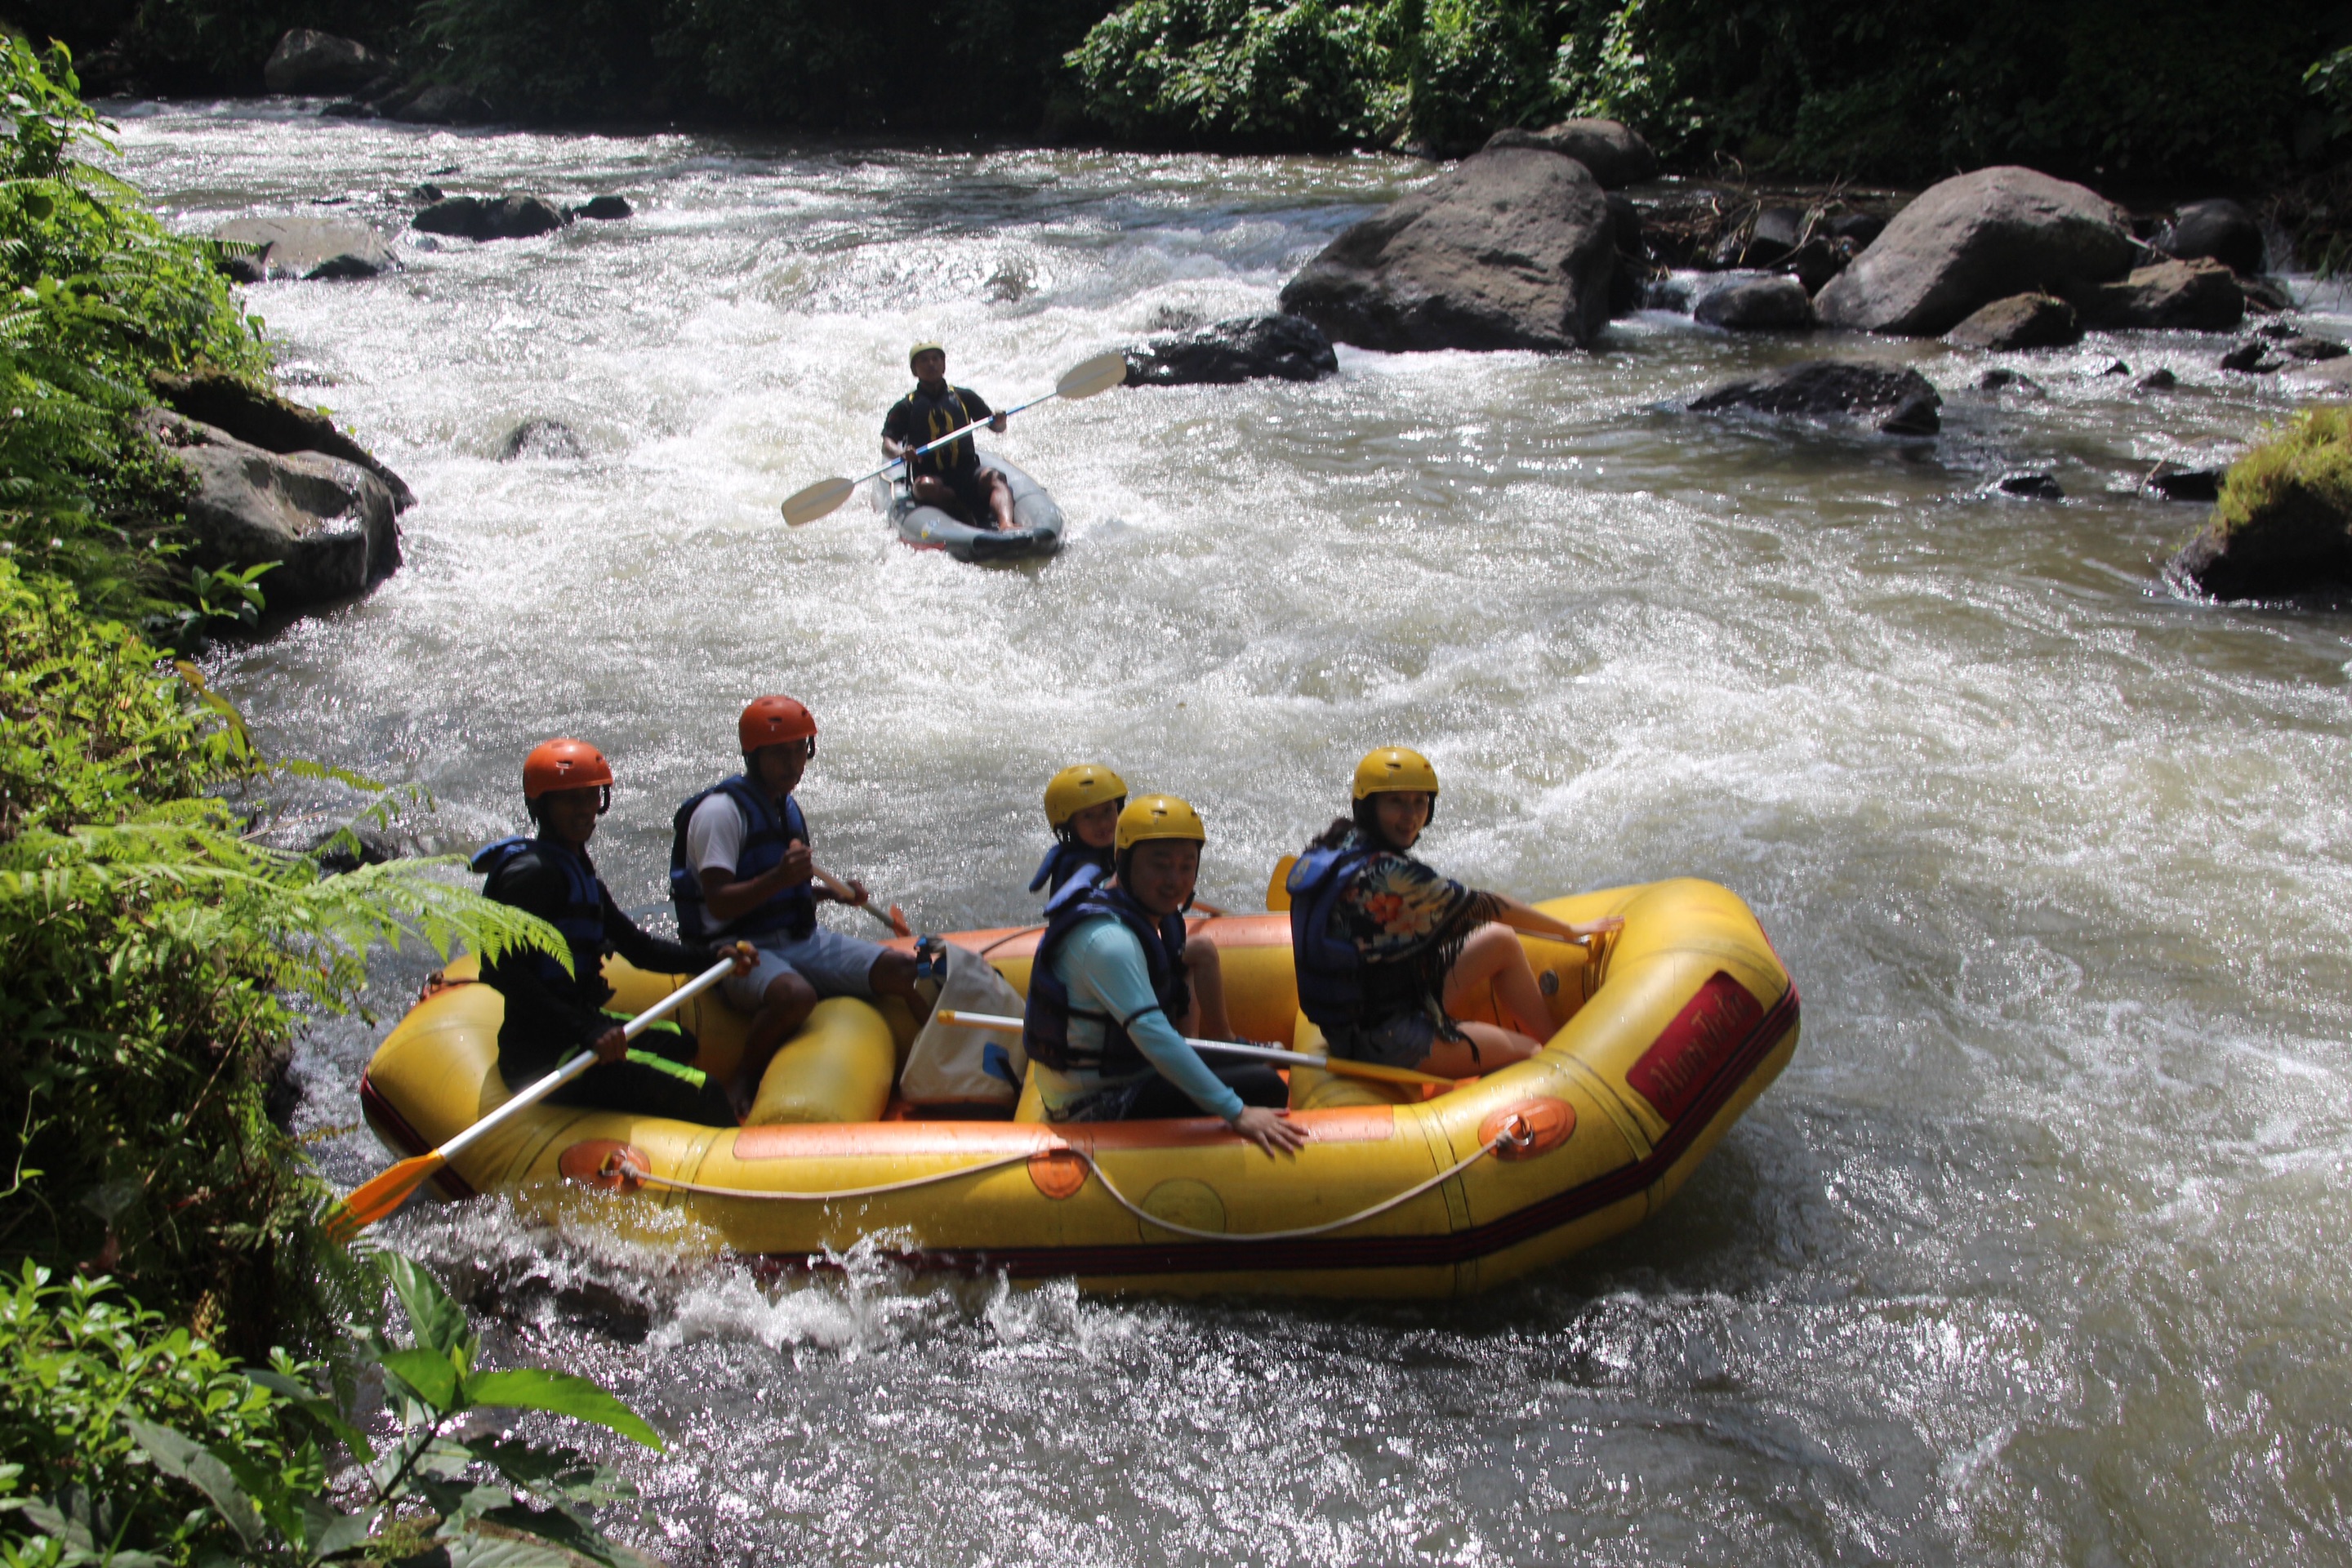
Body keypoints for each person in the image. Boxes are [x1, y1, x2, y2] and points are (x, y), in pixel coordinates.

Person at [1286, 746, 1624, 1079]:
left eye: (1420, 803)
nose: (1411, 816)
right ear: (1369, 806)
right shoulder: (1391, 876)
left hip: (1355, 1019)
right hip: (1385, 1038)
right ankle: (1556, 1066)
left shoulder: (1335, 844)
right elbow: (1488, 906)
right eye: (1396, 802)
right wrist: (1567, 929)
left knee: (1500, 942)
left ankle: (1558, 1043)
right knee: (1530, 1054)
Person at [474, 737, 754, 1128]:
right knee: (704, 1092)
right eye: (571, 800)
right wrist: (586, 1031)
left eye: (592, 798)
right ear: (542, 806)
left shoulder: (575, 870)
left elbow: (639, 949)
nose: (586, 810)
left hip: (577, 1026)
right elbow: (502, 972)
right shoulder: (530, 877)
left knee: (678, 1041)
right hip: (544, 1055)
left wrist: (713, 957)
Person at [670, 695, 930, 1111]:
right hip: (735, 951)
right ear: (753, 755)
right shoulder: (719, 814)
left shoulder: (785, 807)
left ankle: (937, 1059)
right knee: (795, 996)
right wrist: (780, 877)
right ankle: (743, 1077)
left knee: (907, 969)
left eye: (800, 752)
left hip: (797, 938)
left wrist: (831, 894)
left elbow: (784, 895)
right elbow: (719, 904)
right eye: (781, 754)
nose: (793, 765)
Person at [1022, 795, 1306, 1156]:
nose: (1175, 880)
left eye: (1187, 866)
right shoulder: (1108, 942)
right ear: (1122, 862)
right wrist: (1239, 1113)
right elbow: (1155, 1037)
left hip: (1130, 1069)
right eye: (1160, 865)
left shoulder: (1134, 913)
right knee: (1264, 1088)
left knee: (1252, 1065)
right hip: (1091, 1101)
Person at [881, 341, 1013, 532]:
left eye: (936, 359)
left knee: (995, 477)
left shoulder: (964, 397)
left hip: (968, 473)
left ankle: (1006, 524)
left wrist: (1000, 421)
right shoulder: (905, 407)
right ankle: (965, 515)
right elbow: (887, 444)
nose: (931, 364)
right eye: (924, 360)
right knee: (925, 486)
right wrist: (901, 453)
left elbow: (996, 427)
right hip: (932, 478)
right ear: (914, 370)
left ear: (944, 365)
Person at [1029, 763, 1125, 899]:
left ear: (1118, 808)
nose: (1102, 823)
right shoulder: (1077, 866)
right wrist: (1121, 879)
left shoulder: (1124, 846)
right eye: (1088, 816)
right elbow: (1091, 904)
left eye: (1107, 811)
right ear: (1069, 826)